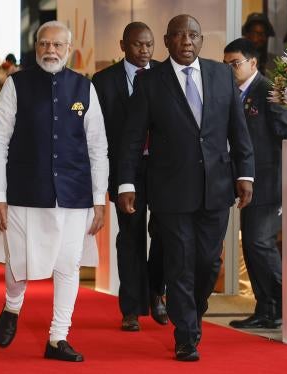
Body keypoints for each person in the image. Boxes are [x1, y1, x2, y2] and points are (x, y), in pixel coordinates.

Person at [117, 14, 254, 361]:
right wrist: (126, 182)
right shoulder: (150, 82)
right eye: (178, 36)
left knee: (208, 263)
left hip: (216, 187)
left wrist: (246, 174)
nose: (186, 41)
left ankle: (192, 309)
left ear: (201, 40)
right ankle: (186, 335)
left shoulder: (222, 75)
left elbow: (238, 131)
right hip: (170, 190)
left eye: (193, 35)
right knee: (179, 262)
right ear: (166, 41)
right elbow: (132, 139)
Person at [0, 21, 109, 362]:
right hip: (24, 192)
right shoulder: (16, 85)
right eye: (44, 44)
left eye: (57, 45)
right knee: (19, 261)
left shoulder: (83, 89)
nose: (50, 50)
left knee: (69, 265)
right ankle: (12, 304)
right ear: (36, 48)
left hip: (74, 195)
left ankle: (57, 338)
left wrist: (98, 199)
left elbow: (97, 147)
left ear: (69, 49)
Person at [92, 22, 167, 331]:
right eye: (138, 44)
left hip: (163, 170)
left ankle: (156, 292)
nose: (145, 50)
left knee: (164, 234)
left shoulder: (164, 75)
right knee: (131, 237)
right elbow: (98, 133)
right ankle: (131, 307)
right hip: (125, 171)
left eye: (149, 44)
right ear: (123, 46)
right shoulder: (104, 81)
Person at [223, 38, 287, 329]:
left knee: (259, 242)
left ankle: (285, 303)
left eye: (236, 63)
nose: (230, 69)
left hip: (269, 184)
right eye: (226, 64)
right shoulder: (234, 93)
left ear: (253, 63)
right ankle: (267, 309)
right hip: (246, 184)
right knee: (252, 247)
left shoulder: (269, 92)